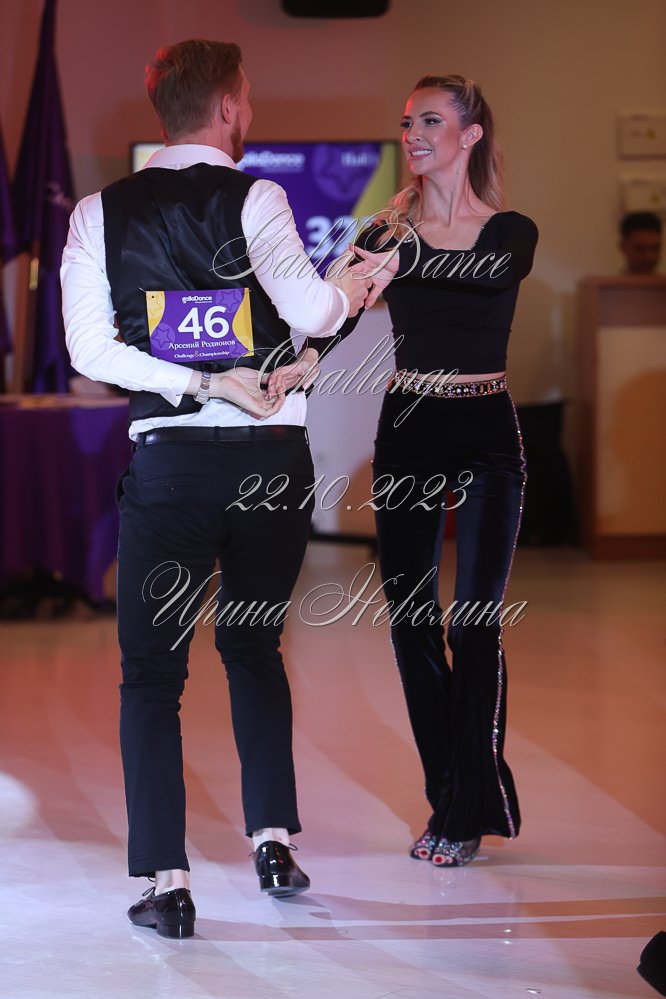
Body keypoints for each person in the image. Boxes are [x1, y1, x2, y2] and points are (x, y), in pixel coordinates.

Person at [60, 38, 369, 938]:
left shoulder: (97, 213)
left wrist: (197, 380)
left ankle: (168, 883)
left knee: (152, 675)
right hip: (270, 465)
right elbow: (311, 312)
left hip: (173, 469)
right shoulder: (258, 196)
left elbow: (89, 350)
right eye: (249, 98)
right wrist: (348, 288)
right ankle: (273, 842)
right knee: (255, 646)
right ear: (230, 107)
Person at [306, 75, 538, 867]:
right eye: (407, 120)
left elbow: (486, 275)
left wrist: (398, 261)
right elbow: (337, 314)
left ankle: (464, 806)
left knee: (474, 623)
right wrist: (297, 363)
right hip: (408, 424)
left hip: (485, 427)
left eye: (431, 120)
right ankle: (457, 798)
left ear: (470, 135)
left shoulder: (510, 231)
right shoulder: (384, 231)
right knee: (411, 623)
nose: (412, 133)